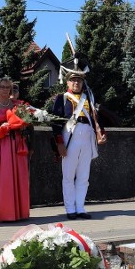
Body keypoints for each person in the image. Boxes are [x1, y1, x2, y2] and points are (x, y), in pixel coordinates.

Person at [51, 69, 107, 219]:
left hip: (87, 136)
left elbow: (95, 118)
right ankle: (70, 209)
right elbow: (56, 121)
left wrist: (101, 132)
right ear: (68, 82)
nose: (76, 83)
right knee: (68, 176)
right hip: (71, 136)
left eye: (79, 81)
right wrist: (59, 142)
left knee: (83, 176)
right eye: (73, 80)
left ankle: (80, 207)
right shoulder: (62, 98)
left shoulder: (88, 98)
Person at [0, 77, 30, 221]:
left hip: (16, 144)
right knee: (2, 179)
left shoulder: (18, 104)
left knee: (19, 177)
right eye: (2, 87)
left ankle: (20, 212)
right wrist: (2, 127)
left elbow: (28, 121)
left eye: (7, 87)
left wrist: (22, 124)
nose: (4, 90)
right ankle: (2, 213)